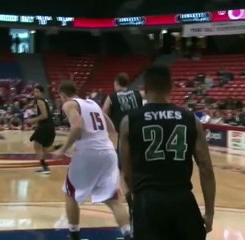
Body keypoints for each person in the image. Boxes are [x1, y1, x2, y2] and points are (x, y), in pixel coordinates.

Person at [120, 65, 216, 239]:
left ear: (146, 89)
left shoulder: (129, 121)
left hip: (147, 201)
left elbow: (126, 174)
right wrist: (209, 213)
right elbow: (206, 167)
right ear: (170, 88)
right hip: (182, 200)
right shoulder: (190, 119)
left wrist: (136, 198)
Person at [53, 80, 132, 240]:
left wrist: (64, 148)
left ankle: (75, 235)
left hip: (89, 152)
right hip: (108, 152)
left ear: (62, 94)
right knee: (113, 199)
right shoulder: (93, 103)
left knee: (70, 194)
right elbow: (111, 127)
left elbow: (77, 126)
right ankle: (128, 235)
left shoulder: (69, 104)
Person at [102, 73, 143, 218]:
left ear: (116, 82)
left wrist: (110, 130)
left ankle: (131, 202)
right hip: (140, 134)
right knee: (140, 168)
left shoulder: (112, 96)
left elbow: (103, 114)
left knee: (123, 171)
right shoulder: (138, 94)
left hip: (124, 136)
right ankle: (141, 198)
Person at [27, 85, 58, 175]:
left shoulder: (40, 101)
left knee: (37, 146)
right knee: (45, 149)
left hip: (46, 126)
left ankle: (45, 168)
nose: (35, 93)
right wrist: (37, 124)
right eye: (34, 91)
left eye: (37, 91)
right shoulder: (43, 101)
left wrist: (32, 121)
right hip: (48, 126)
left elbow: (44, 115)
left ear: (42, 93)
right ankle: (62, 147)